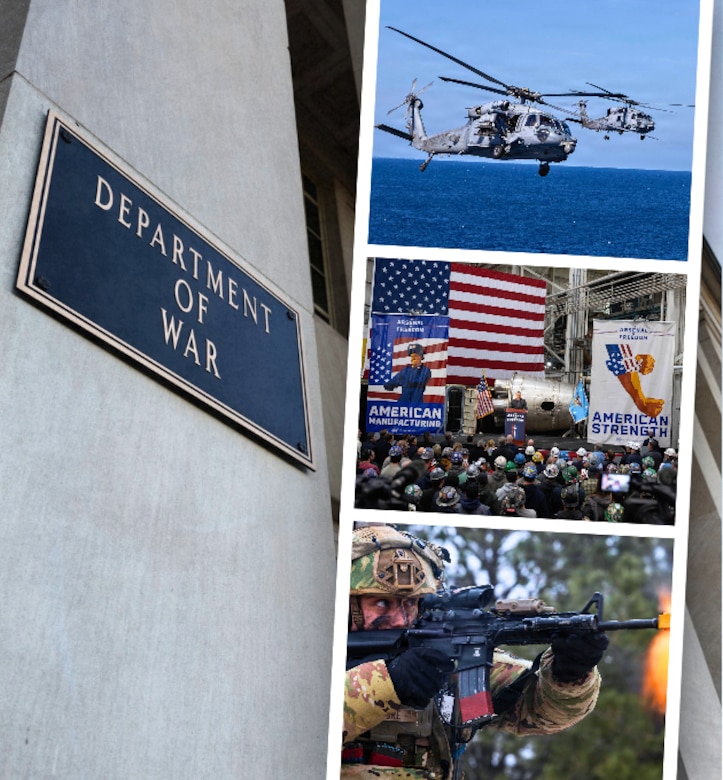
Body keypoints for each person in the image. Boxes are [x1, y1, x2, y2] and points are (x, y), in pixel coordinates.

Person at [343, 524, 606, 779]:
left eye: (411, 603)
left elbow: (541, 712)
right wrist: (387, 682)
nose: (401, 619)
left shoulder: (438, 656)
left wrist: (569, 674)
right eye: (381, 603)